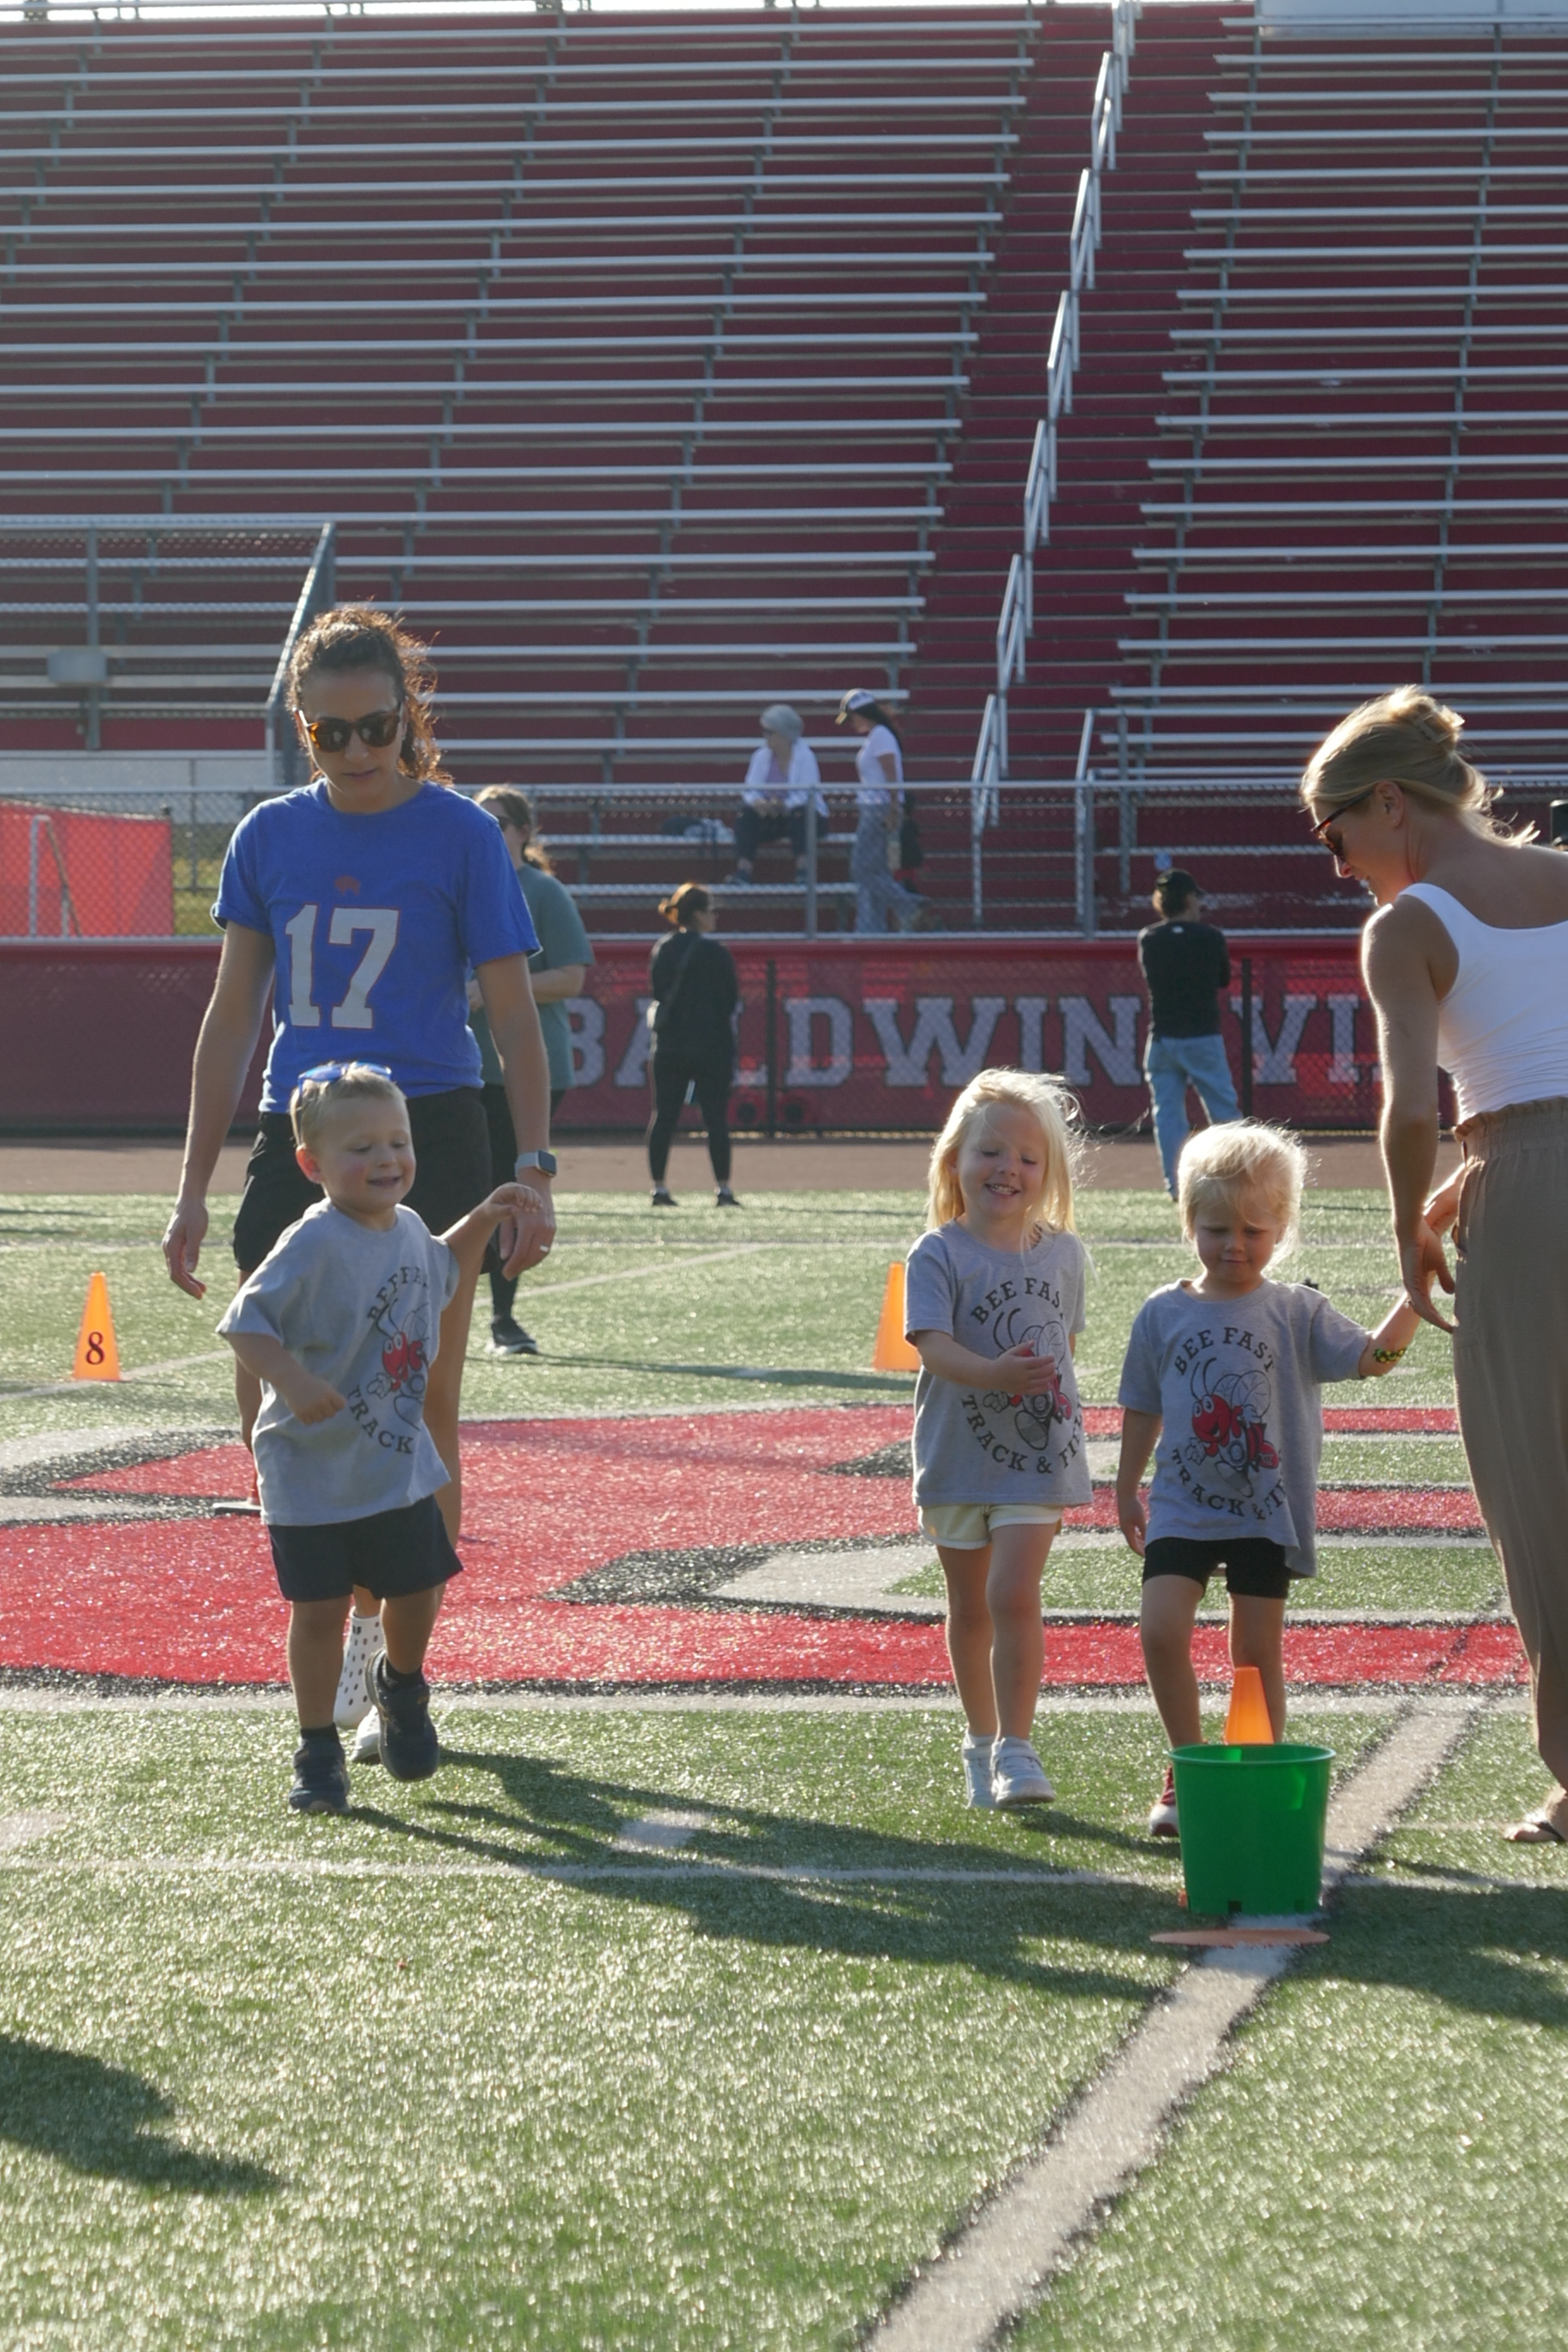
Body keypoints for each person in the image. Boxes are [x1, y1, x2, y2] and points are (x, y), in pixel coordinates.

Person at [162, 605, 557, 1738]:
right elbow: (233, 1015)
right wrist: (192, 1188)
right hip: (302, 1133)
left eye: (376, 726)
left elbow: (517, 1022)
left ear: (408, 717)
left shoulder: (462, 835)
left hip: (428, 1126)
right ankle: (329, 1639)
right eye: (330, 733)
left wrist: (532, 1165)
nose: (356, 751)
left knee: (423, 1408)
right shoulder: (268, 836)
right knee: (274, 1417)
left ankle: (400, 1669)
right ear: (302, 729)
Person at [1302, 685, 1568, 1844]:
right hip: (1514, 1159)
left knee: (1538, 1491)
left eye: (1336, 831)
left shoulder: (1407, 927)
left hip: (1531, 1204)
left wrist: (1415, 1235)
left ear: (1392, 803)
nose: (1337, 861)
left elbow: (1411, 1112)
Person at [216, 1063, 548, 1815]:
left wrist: (485, 1218)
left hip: (392, 1461)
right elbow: (244, 1322)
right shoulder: (312, 1243)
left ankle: (401, 1683)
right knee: (319, 1610)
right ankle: (316, 1746)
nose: (387, 1159)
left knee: (420, 1585)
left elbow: (442, 1268)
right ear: (313, 1164)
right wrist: (293, 1385)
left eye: (397, 1141)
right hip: (309, 1473)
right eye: (361, 1147)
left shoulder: (407, 1229)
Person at [1115, 1121, 1423, 1839]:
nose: (1234, 1245)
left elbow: (1372, 1361)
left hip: (1264, 1512)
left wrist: (1414, 1299)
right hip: (1183, 1508)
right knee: (1160, 1632)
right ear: (1188, 1220)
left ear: (1282, 1229)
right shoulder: (1162, 1312)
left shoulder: (1296, 1310)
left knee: (1254, 1654)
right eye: (1216, 1227)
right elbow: (1141, 1405)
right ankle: (1188, 1770)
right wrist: (1128, 1485)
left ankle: (1254, 1776)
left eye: (1254, 1230)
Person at [903, 1069, 1093, 1810]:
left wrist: (1040, 1400)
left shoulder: (1065, 1255)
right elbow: (933, 1348)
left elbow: (1066, 1343)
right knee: (970, 1606)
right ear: (955, 1159)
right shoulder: (938, 1253)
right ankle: (980, 1740)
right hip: (955, 1454)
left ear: (1047, 1174)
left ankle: (1017, 1745)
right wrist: (994, 1375)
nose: (1007, 1169)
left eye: (1026, 1157)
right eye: (989, 1152)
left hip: (1035, 1460)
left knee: (1014, 1593)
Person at [469, 787, 593, 1357]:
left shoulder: (542, 891)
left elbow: (570, 976)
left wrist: (492, 990)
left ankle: (503, 1319)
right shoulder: (461, 885)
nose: (486, 833)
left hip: (522, 1064)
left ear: (523, 831)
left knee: (503, 1186)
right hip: (461, 1064)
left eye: (496, 823)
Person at [1137, 867, 1240, 1197]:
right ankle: (1236, 1178)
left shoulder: (1149, 938)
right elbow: (1223, 979)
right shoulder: (1210, 937)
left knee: (1168, 1116)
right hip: (1201, 1036)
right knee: (1224, 1111)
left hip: (1163, 1038)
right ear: (1188, 899)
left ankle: (1176, 1185)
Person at [646, 883, 740, 1209]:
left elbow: (658, 989)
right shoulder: (717, 953)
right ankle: (723, 1189)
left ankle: (659, 1187)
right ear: (698, 914)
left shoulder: (663, 948)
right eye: (711, 910)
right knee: (715, 1118)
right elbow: (730, 999)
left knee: (664, 1116)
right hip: (711, 1046)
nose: (715, 916)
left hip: (669, 1045)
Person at [837, 688, 923, 934]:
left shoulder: (880, 736)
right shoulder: (876, 736)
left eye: (852, 717)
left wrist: (894, 807)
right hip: (873, 807)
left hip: (878, 808)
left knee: (862, 867)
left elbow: (891, 774)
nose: (851, 724)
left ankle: (908, 905)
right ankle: (870, 928)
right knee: (874, 870)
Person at [731, 703, 827, 885]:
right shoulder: (760, 756)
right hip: (771, 815)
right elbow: (751, 789)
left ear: (784, 734)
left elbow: (806, 794)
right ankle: (743, 870)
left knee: (801, 814)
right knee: (745, 814)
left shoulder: (805, 756)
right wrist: (758, 803)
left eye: (769, 732)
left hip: (801, 816)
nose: (764, 736)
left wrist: (783, 805)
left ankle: (803, 870)